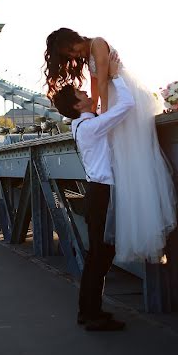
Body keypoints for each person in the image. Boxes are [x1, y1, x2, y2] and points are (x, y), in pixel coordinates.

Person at [44, 28, 176, 263]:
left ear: (74, 39)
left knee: (133, 157)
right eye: (69, 54)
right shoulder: (87, 56)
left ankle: (147, 234)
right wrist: (96, 114)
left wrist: (100, 114)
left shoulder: (97, 43)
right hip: (117, 100)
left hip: (127, 99)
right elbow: (97, 88)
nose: (73, 55)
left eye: (71, 49)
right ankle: (142, 233)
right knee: (126, 162)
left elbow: (104, 82)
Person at [51, 52, 129, 332]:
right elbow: (128, 105)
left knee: (99, 256)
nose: (86, 91)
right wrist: (117, 75)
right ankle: (90, 314)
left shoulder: (81, 125)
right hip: (102, 194)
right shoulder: (91, 127)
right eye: (81, 92)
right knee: (100, 256)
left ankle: (90, 312)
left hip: (97, 193)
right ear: (77, 103)